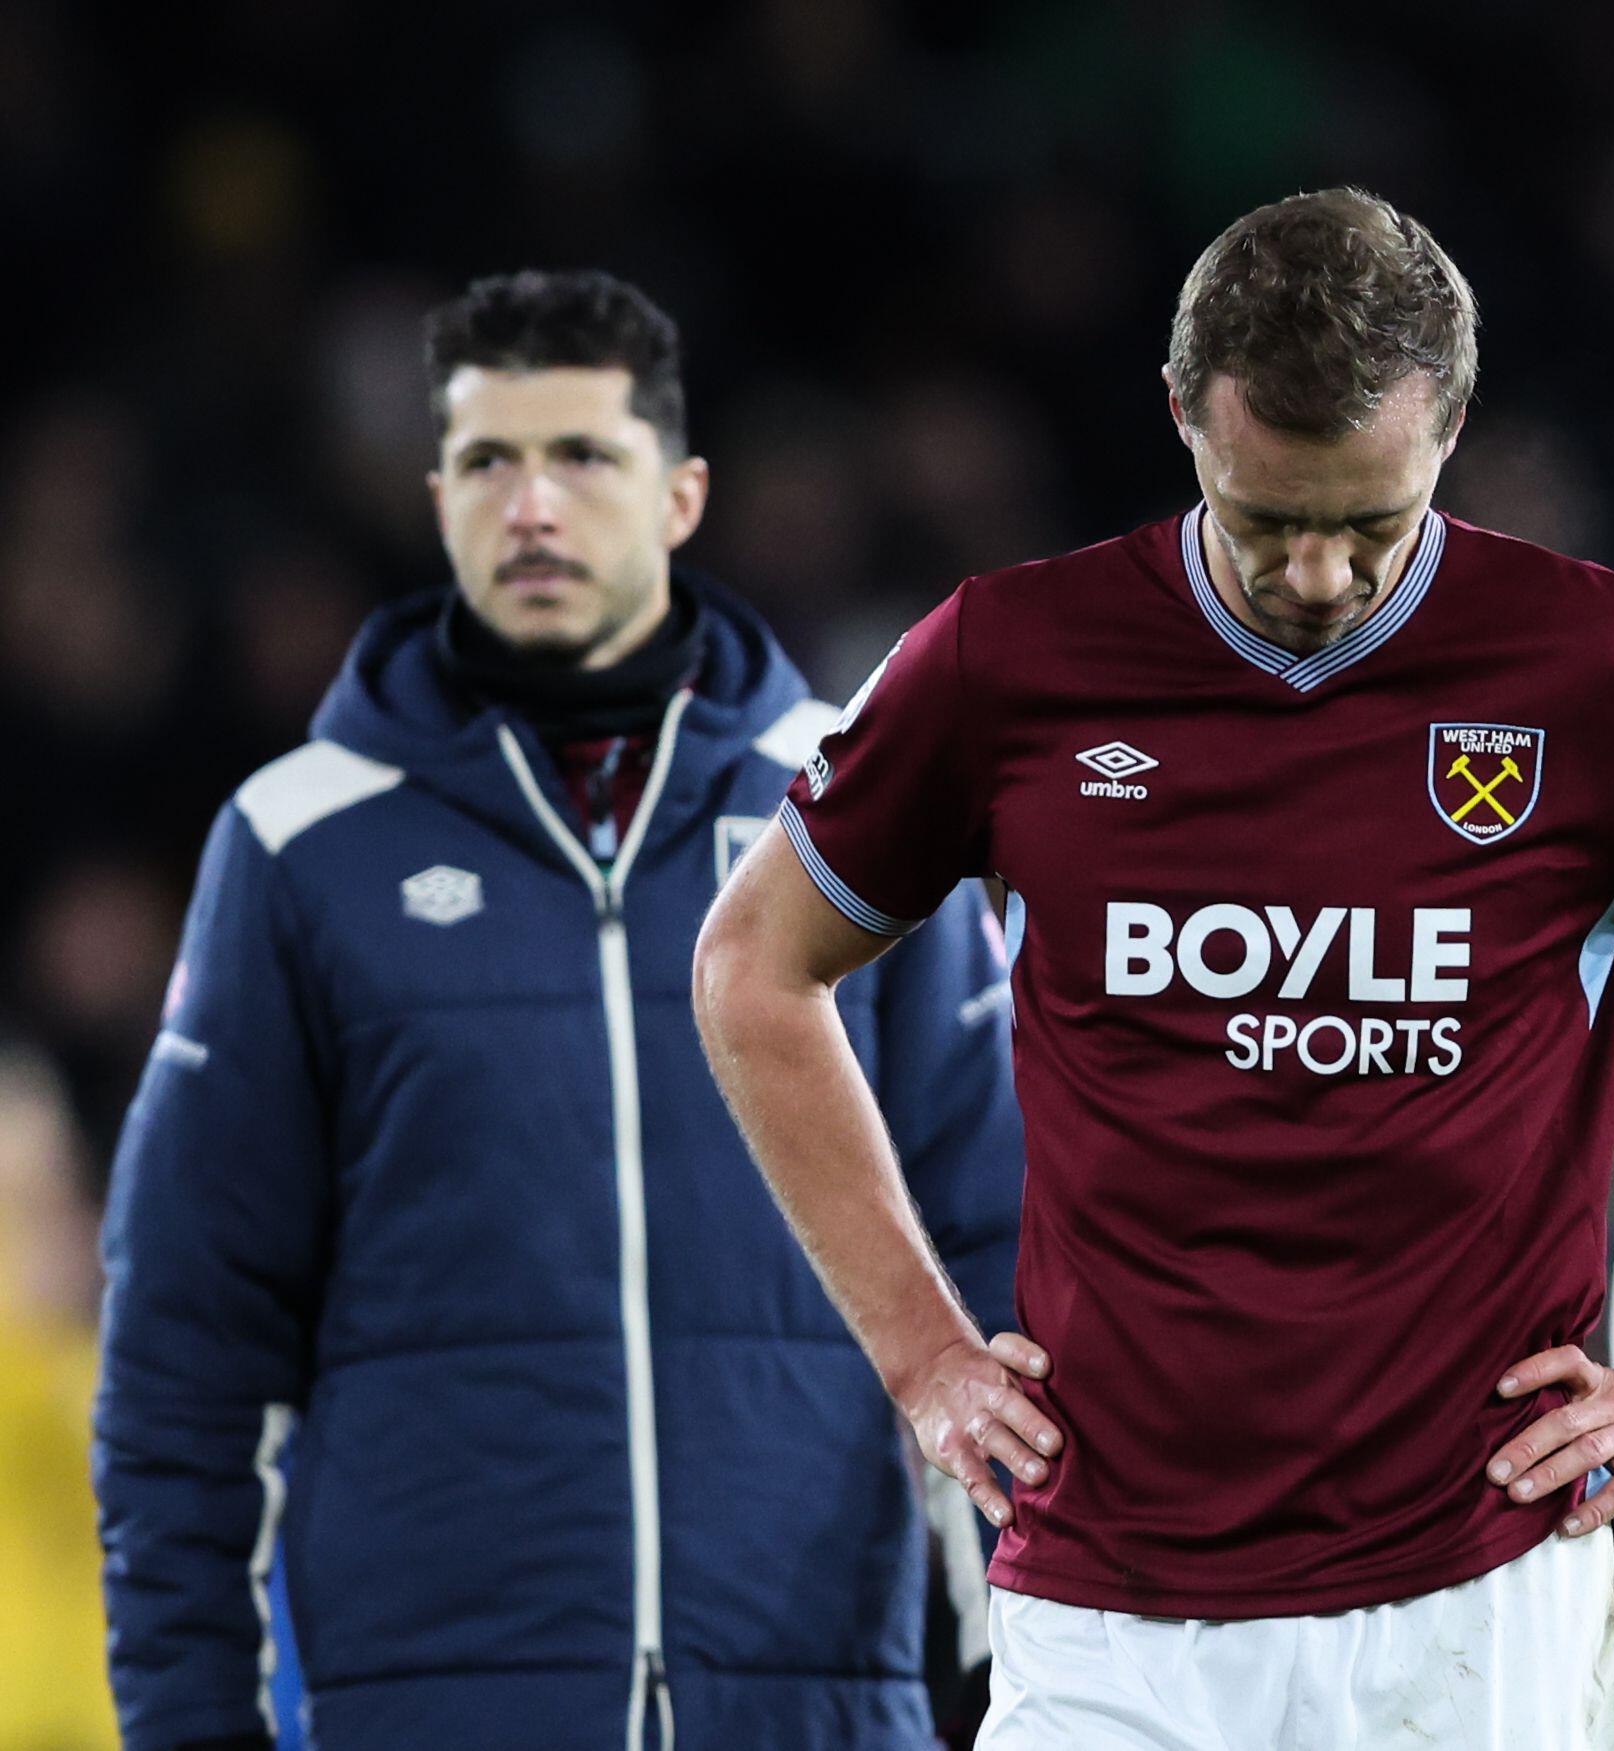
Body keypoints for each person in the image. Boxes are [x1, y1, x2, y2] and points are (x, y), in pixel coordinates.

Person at [690, 187, 1614, 1751]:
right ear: (1181, 417)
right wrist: (919, 1356)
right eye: (1265, 520)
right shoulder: (1006, 663)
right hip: (1107, 1599)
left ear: (1451, 426)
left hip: (1473, 1596)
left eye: (1370, 524)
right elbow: (756, 964)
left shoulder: (1607, 669)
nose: (1316, 578)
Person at [94, 270, 1024, 1751]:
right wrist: (190, 1721)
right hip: (437, 1711)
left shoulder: (859, 811)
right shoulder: (299, 845)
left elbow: (1012, 1280)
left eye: (582, 456)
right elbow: (185, 1355)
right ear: (435, 496)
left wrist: (1036, 1686)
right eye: (486, 463)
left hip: (821, 1710)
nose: (532, 507)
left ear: (682, 495)